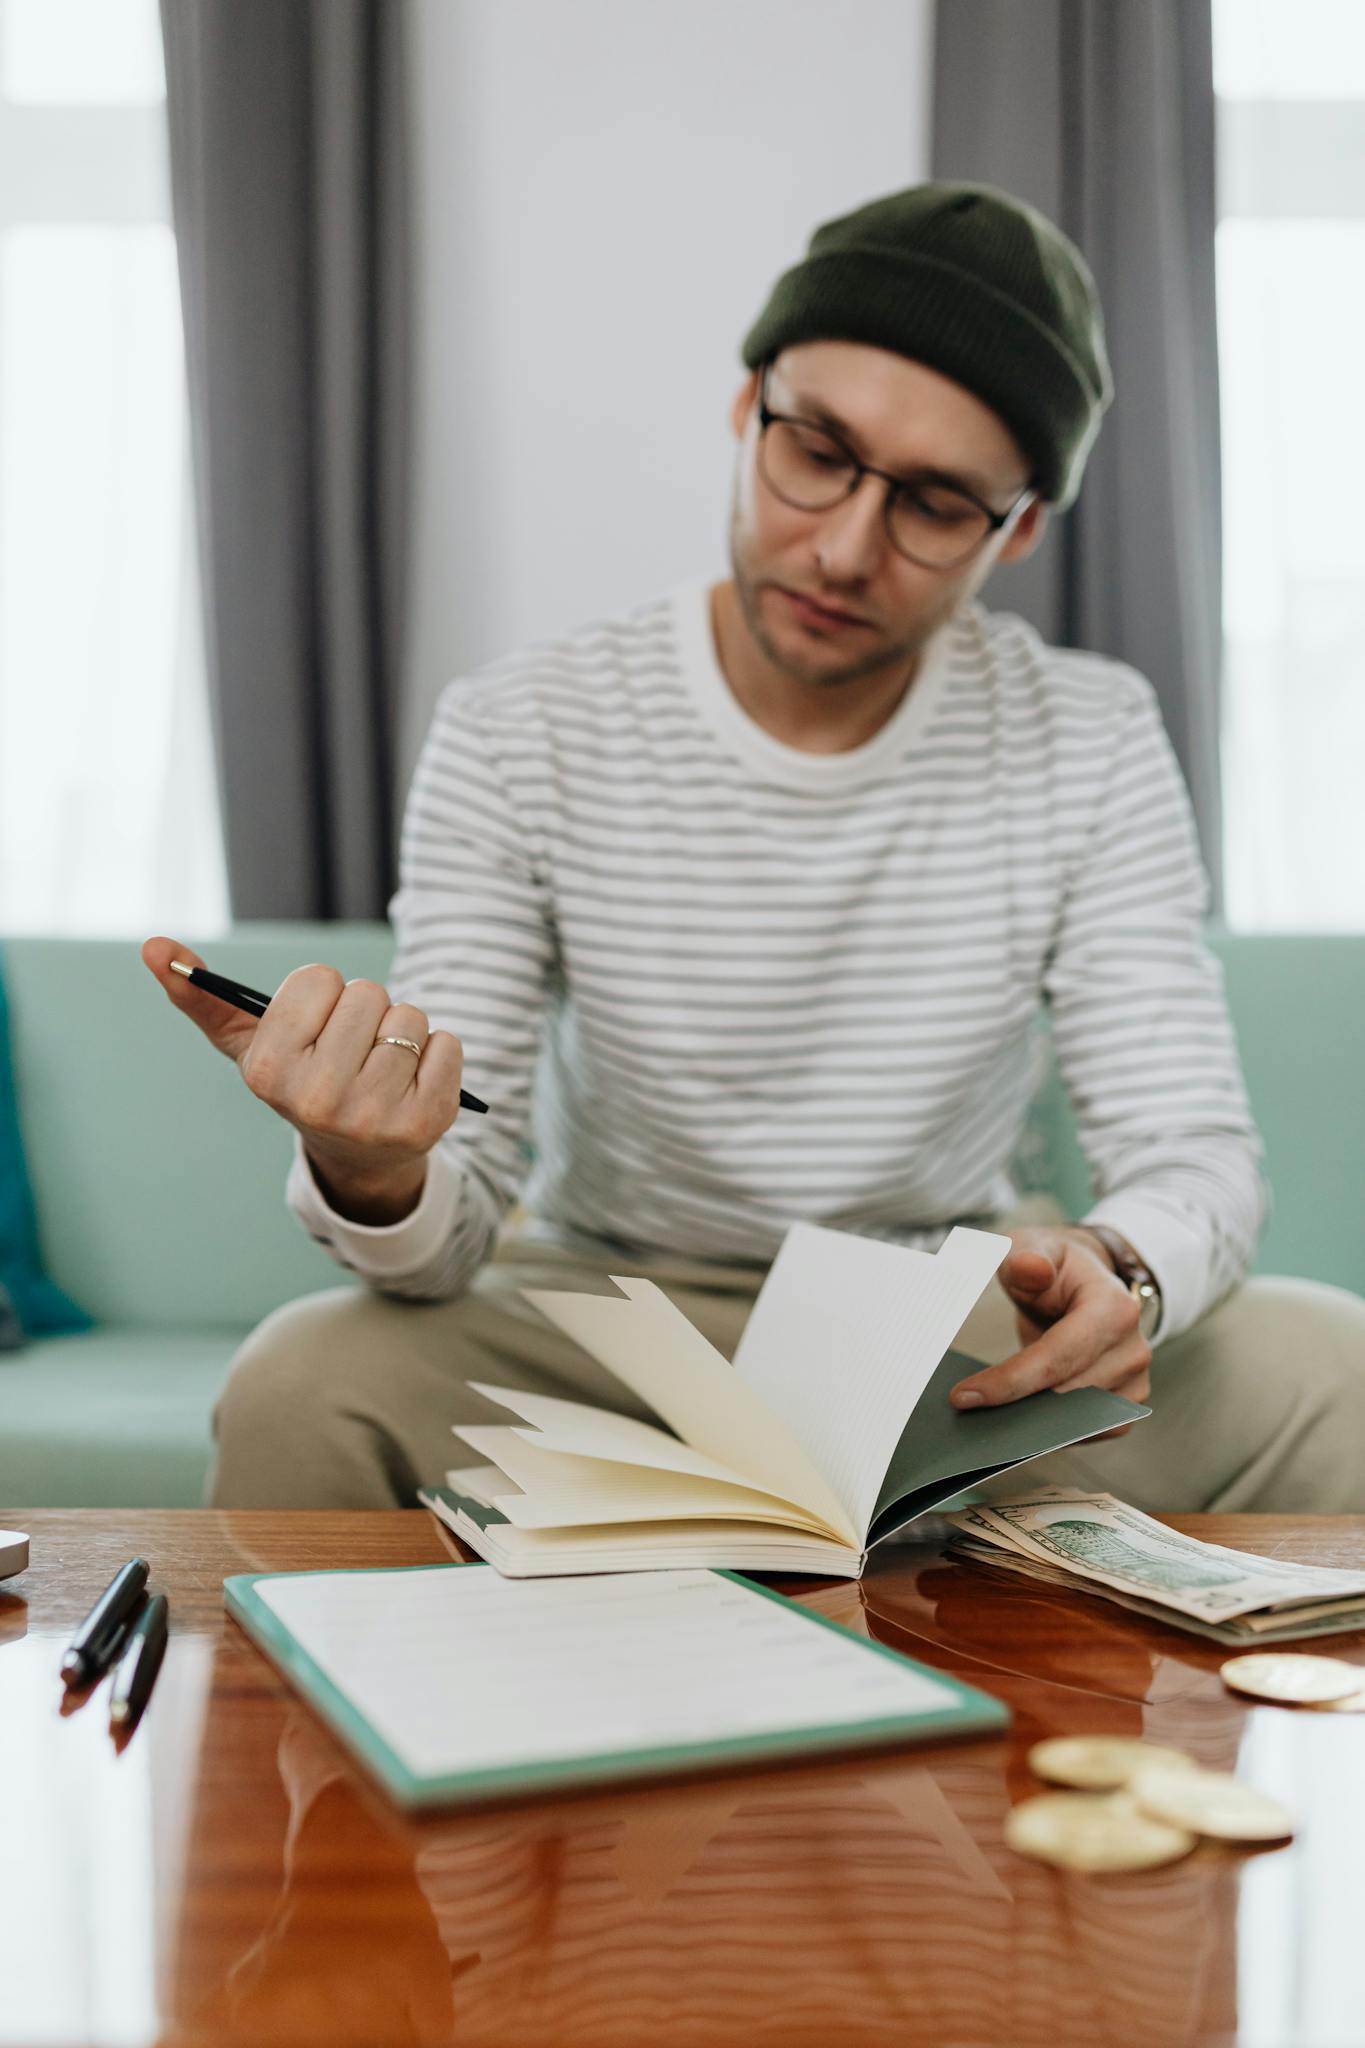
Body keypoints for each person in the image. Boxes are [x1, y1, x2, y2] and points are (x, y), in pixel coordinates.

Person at [144, 181, 1365, 1512]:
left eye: (936, 502)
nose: (843, 548)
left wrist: (1119, 1269)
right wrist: (373, 1168)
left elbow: (1190, 1154)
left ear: (1015, 529)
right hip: (608, 1322)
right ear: (746, 405)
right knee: (301, 1384)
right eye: (817, 451)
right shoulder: (519, 727)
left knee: (1328, 1364)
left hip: (940, 1327)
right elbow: (444, 1238)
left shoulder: (1090, 734)